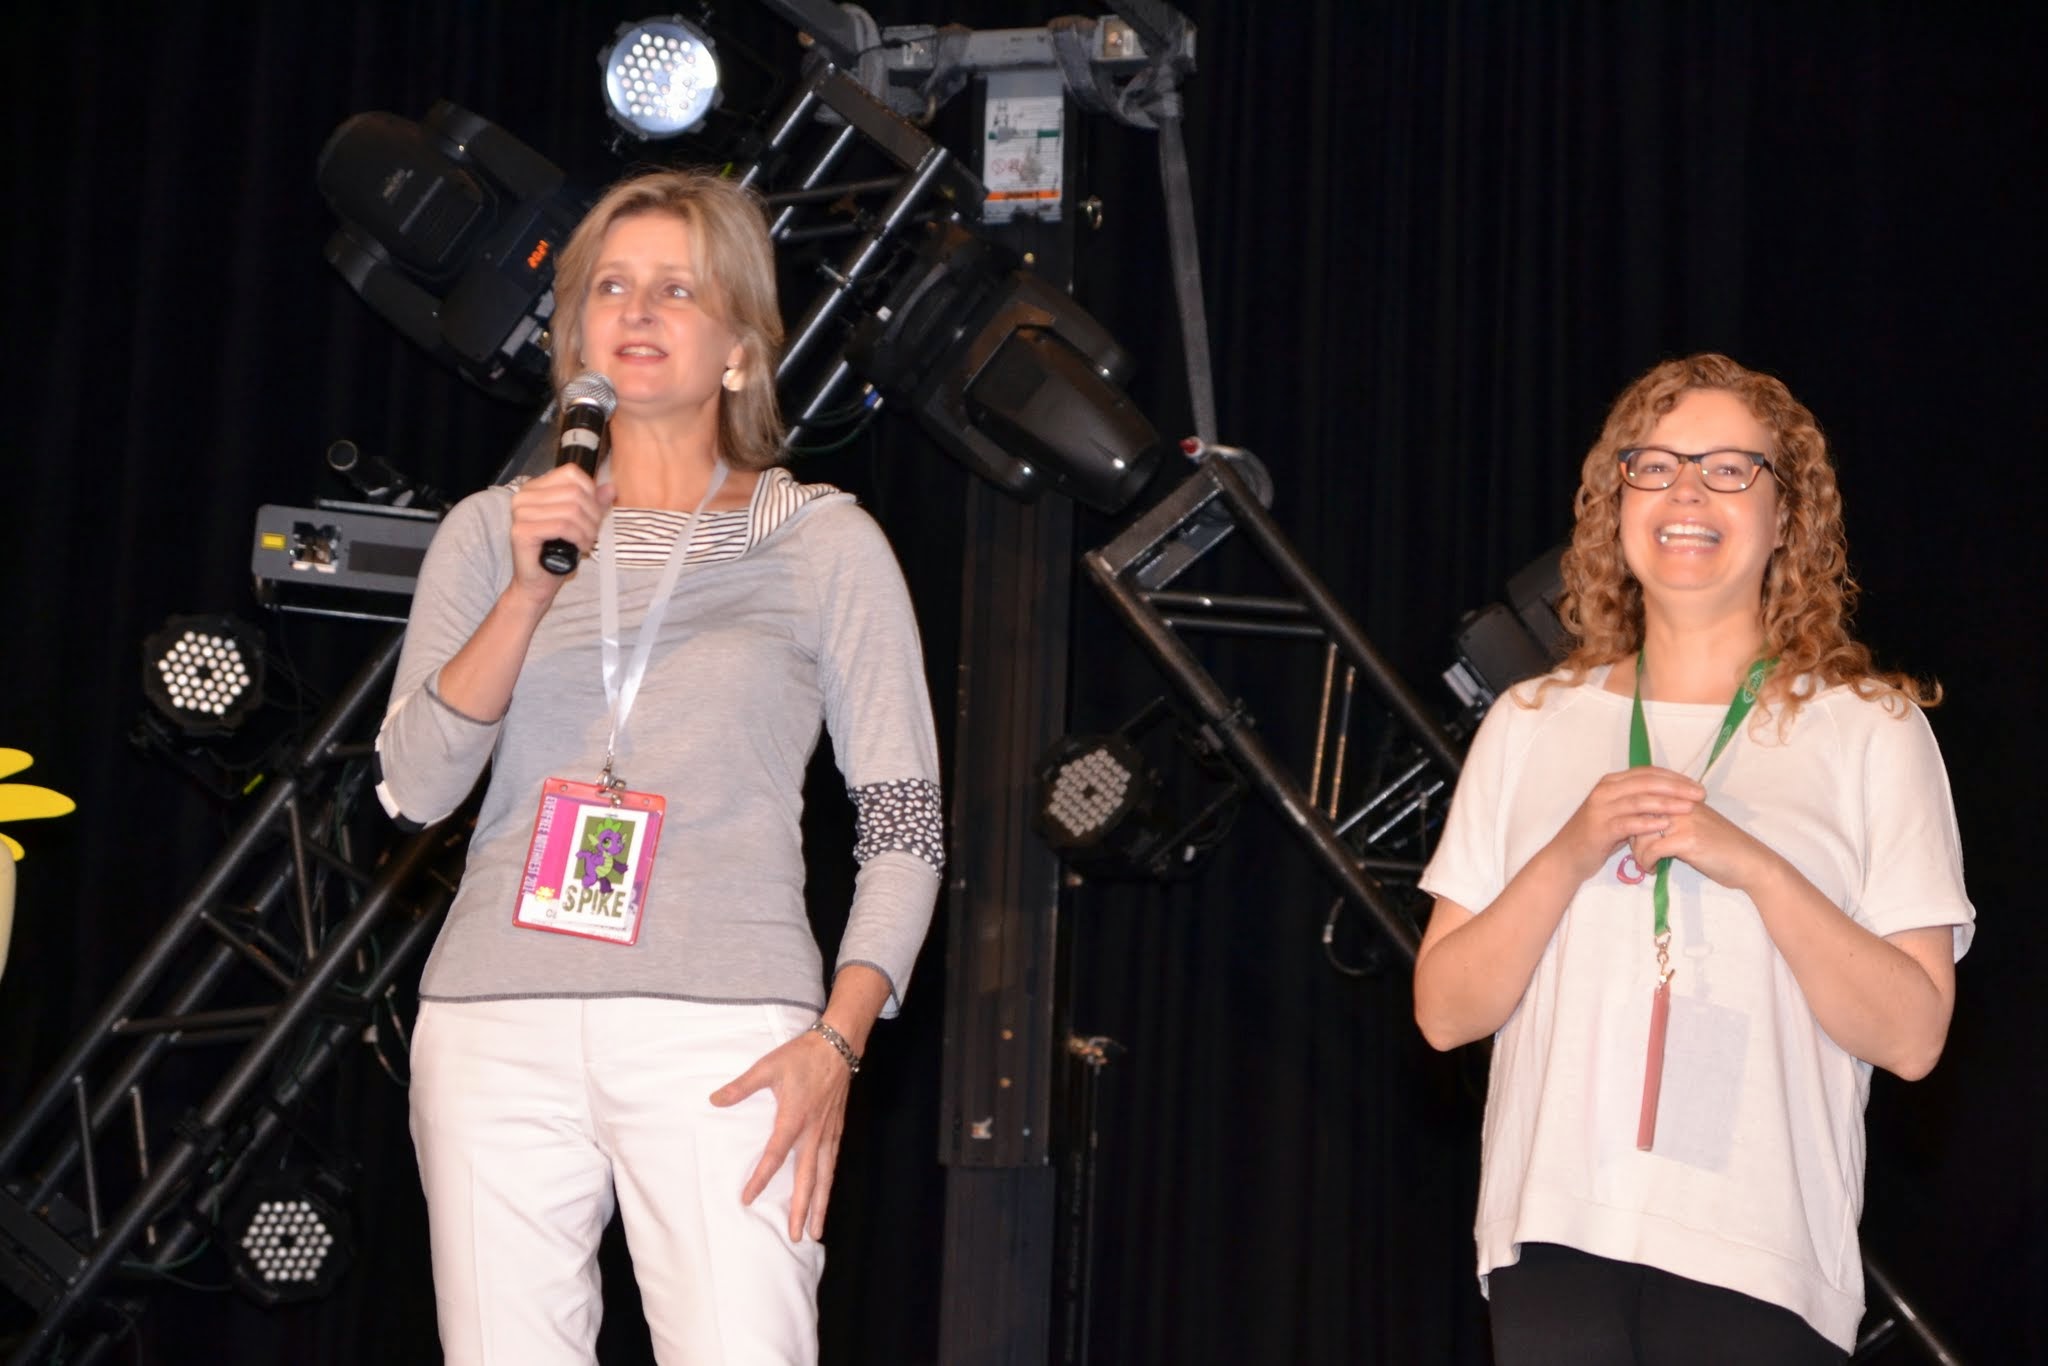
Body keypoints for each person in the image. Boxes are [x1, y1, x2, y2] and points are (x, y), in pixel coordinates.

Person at [374, 169, 943, 1365]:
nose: (635, 310)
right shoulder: (493, 532)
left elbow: (903, 825)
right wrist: (527, 592)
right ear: (574, 334)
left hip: (725, 1036)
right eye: (610, 287)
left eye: (676, 289)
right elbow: (415, 788)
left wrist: (839, 1040)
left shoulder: (821, 541)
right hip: (491, 1025)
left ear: (739, 346)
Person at [1411, 353, 1973, 1364]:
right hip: (1557, 1231)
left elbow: (1913, 1035)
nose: (1685, 493)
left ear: (1785, 516)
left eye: (1727, 469)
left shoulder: (1869, 731)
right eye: (1656, 465)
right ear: (1615, 504)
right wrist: (1570, 849)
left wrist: (1754, 864)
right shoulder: (1530, 723)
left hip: (1760, 1248)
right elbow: (1445, 1012)